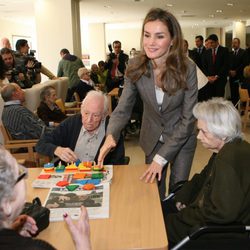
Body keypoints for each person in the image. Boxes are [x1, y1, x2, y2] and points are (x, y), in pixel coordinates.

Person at [98, 8, 198, 199]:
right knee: (153, 194)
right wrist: (111, 134)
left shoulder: (187, 68)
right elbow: (123, 108)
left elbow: (188, 119)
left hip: (181, 138)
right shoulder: (135, 65)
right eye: (147, 35)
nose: (151, 42)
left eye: (159, 36)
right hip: (152, 138)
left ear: (173, 40)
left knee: (177, 194)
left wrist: (162, 158)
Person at [162, 98, 250, 246]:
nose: (198, 136)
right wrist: (182, 197)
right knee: (161, 210)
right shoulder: (227, 147)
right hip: (211, 217)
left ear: (222, 133)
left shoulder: (229, 158)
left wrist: (185, 215)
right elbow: (202, 178)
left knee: (158, 225)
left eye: (204, 132)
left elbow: (221, 213)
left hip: (222, 232)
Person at [0, 146, 91, 250]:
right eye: (20, 173)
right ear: (6, 205)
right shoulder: (38, 248)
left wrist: (11, 231)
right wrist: (84, 245)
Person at [36, 90, 125, 165]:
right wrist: (57, 149)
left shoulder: (112, 129)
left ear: (104, 115)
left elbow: (118, 164)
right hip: (70, 180)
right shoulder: (71, 123)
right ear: (81, 110)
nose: (89, 120)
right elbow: (41, 144)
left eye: (96, 115)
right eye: (86, 113)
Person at [202, 34, 229, 99]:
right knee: (210, 99)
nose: (210, 44)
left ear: (217, 42)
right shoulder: (207, 52)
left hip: (220, 79)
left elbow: (225, 65)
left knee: (219, 99)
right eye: (209, 43)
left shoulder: (224, 50)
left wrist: (216, 76)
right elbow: (204, 66)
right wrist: (208, 76)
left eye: (212, 43)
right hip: (209, 80)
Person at [229, 38, 245, 105]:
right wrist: (230, 71)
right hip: (231, 77)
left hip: (240, 76)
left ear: (239, 43)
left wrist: (235, 71)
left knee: (240, 94)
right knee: (233, 93)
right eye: (233, 43)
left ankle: (241, 108)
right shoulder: (230, 53)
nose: (233, 44)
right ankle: (234, 107)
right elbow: (227, 64)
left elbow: (244, 64)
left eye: (235, 43)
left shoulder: (243, 52)